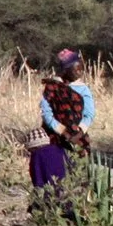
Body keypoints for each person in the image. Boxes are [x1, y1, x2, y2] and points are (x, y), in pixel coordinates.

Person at [30, 48, 94, 195]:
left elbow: (89, 114)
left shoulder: (83, 89)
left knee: (77, 173)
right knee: (54, 174)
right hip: (54, 138)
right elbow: (46, 113)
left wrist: (79, 132)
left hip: (78, 138)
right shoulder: (52, 87)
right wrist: (62, 131)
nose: (79, 71)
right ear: (65, 70)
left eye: (81, 67)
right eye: (75, 68)